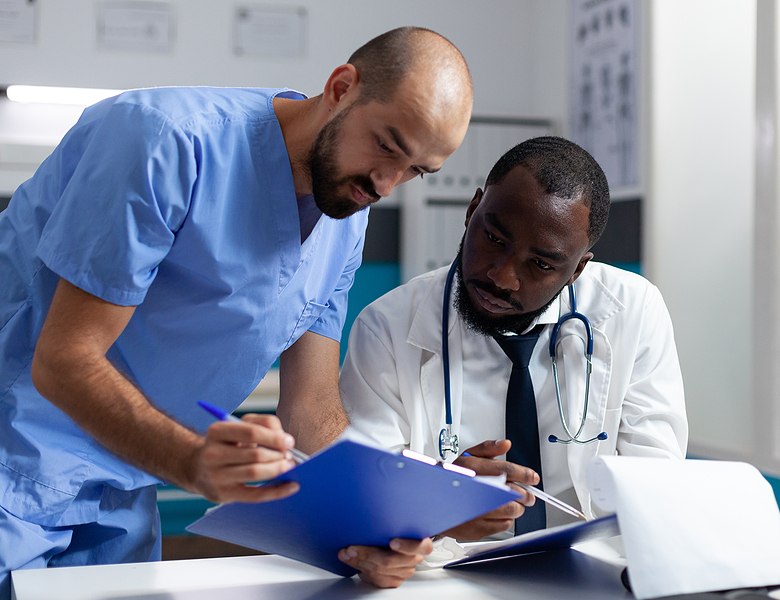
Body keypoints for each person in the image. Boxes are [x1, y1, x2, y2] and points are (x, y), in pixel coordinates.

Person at [0, 27, 472, 595]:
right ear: (341, 87)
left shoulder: (347, 211)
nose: (386, 183)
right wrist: (195, 462)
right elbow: (63, 359)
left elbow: (311, 410)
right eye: (388, 146)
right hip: (14, 459)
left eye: (417, 171)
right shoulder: (165, 140)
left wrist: (376, 528)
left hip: (126, 483)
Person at [340, 136, 688, 542]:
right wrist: (436, 506)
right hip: (447, 571)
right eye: (494, 239)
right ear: (472, 211)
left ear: (576, 270)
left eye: (541, 264)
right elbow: (368, 494)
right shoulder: (385, 327)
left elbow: (654, 481)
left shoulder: (633, 309)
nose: (501, 277)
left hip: (585, 569)